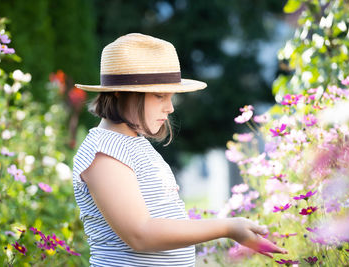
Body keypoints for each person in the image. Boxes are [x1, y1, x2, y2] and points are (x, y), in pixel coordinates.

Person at [72, 33, 287, 267]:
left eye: (171, 96)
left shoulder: (134, 144)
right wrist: (227, 227)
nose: (170, 107)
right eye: (159, 96)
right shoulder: (104, 153)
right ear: (118, 92)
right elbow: (140, 234)